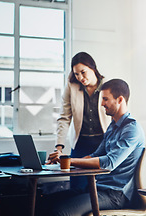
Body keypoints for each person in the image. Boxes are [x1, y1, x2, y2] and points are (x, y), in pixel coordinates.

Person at [41, 79, 145, 216]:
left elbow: (109, 163)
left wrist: (69, 160)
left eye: (105, 99)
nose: (101, 104)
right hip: (97, 188)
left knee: (61, 212)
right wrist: (61, 163)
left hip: (115, 195)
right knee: (45, 201)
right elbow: (95, 155)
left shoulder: (132, 129)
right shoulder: (113, 126)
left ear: (120, 100)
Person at [50, 52, 111, 189]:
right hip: (80, 144)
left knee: (101, 186)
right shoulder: (72, 87)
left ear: (93, 68)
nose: (80, 78)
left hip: (103, 143)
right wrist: (58, 148)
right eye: (77, 74)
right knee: (77, 187)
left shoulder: (108, 86)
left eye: (83, 72)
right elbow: (64, 118)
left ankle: (96, 211)